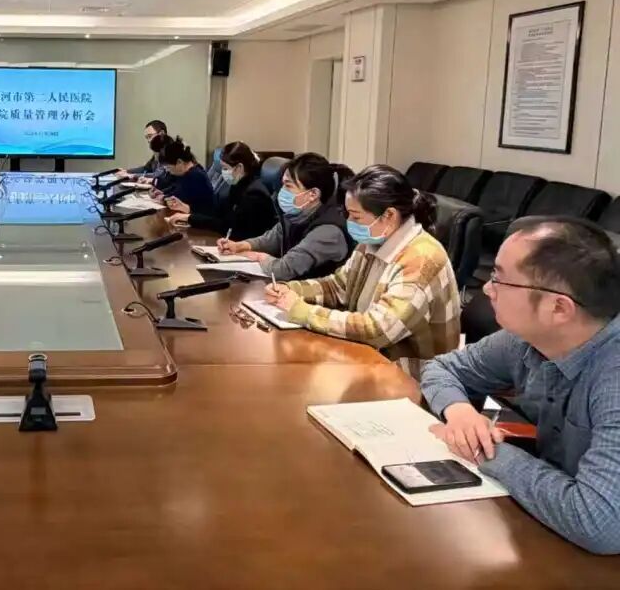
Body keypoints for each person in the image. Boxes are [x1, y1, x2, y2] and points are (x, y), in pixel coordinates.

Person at [421, 218, 620, 555]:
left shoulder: (612, 377)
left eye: (500, 279)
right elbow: (442, 368)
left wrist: (485, 449)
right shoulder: (528, 339)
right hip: (550, 526)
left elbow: (600, 524)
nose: (487, 289)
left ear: (559, 307)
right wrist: (460, 414)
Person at [263, 164, 460, 360]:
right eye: (348, 214)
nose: (349, 221)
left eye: (356, 216)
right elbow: (339, 287)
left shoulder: (422, 258)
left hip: (411, 370)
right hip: (368, 355)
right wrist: (291, 290)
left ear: (389, 215)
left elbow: (379, 329)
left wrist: (304, 312)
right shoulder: (373, 240)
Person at [217, 153, 353, 280]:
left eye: (288, 186)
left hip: (313, 294)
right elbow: (269, 240)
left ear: (313, 194)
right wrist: (239, 246)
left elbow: (284, 269)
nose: (281, 191)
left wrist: (258, 257)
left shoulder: (329, 232)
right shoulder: (296, 214)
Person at [166, 141, 277, 241]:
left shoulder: (254, 194)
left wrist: (190, 218)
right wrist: (189, 211)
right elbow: (218, 213)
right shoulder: (238, 185)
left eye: (225, 168)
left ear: (239, 168)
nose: (223, 173)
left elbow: (229, 227)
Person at [151, 136, 215, 215]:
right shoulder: (186, 174)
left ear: (179, 162)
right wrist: (162, 194)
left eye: (168, 167)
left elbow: (180, 196)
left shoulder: (195, 176)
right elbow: (176, 190)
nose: (167, 171)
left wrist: (164, 198)